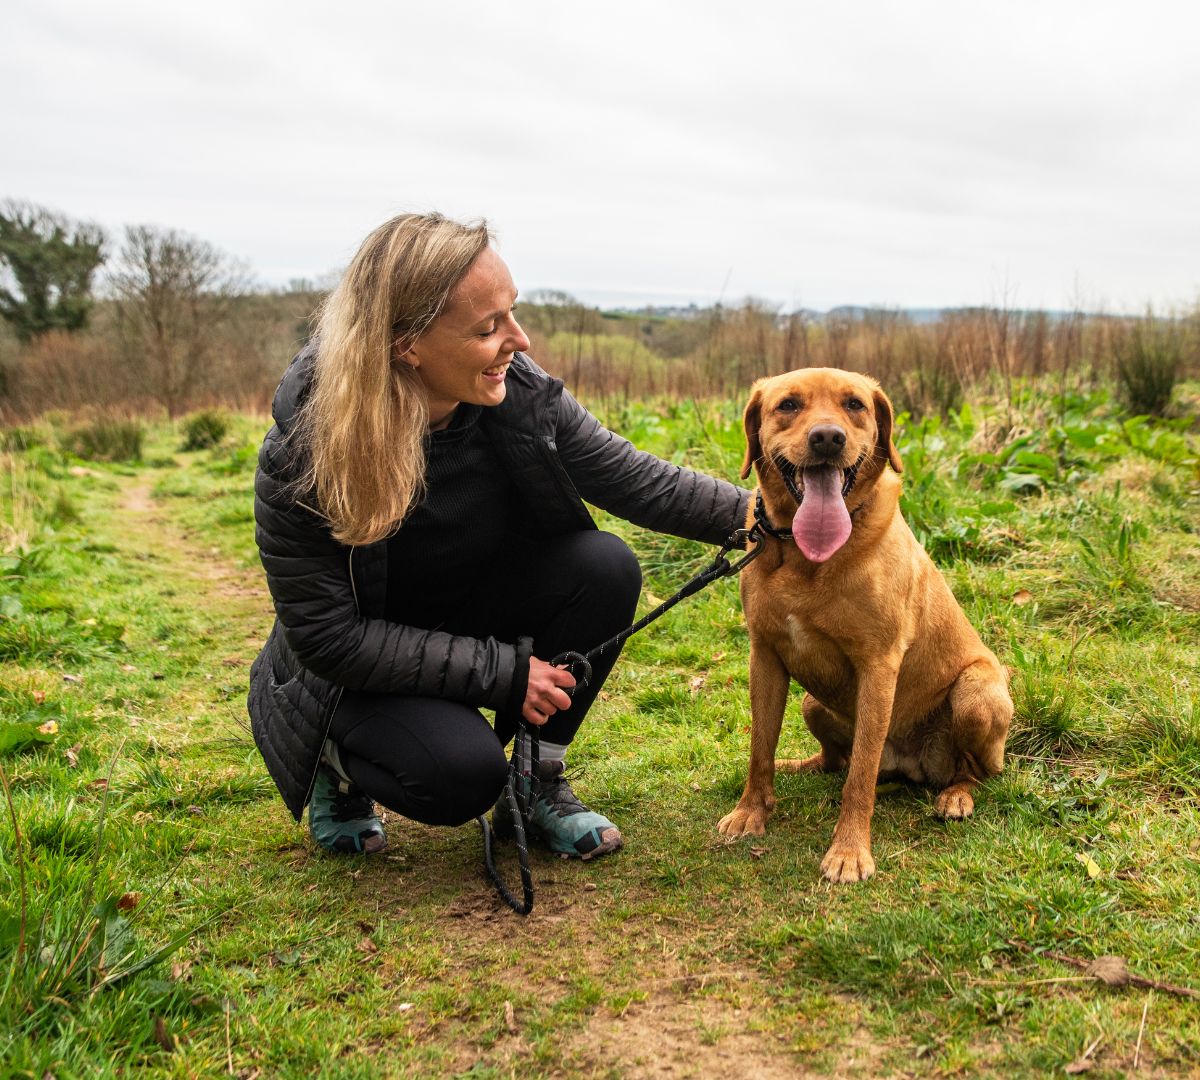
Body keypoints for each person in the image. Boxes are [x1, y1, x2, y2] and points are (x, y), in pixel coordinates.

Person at [248, 212, 749, 862]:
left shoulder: (516, 393)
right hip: (361, 664)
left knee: (604, 566)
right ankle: (335, 762)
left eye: (512, 312)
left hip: (465, 611)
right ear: (408, 345)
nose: (520, 338)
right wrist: (504, 676)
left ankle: (537, 784)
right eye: (489, 328)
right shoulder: (306, 448)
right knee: (459, 778)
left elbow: (636, 480)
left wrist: (770, 516)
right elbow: (327, 637)